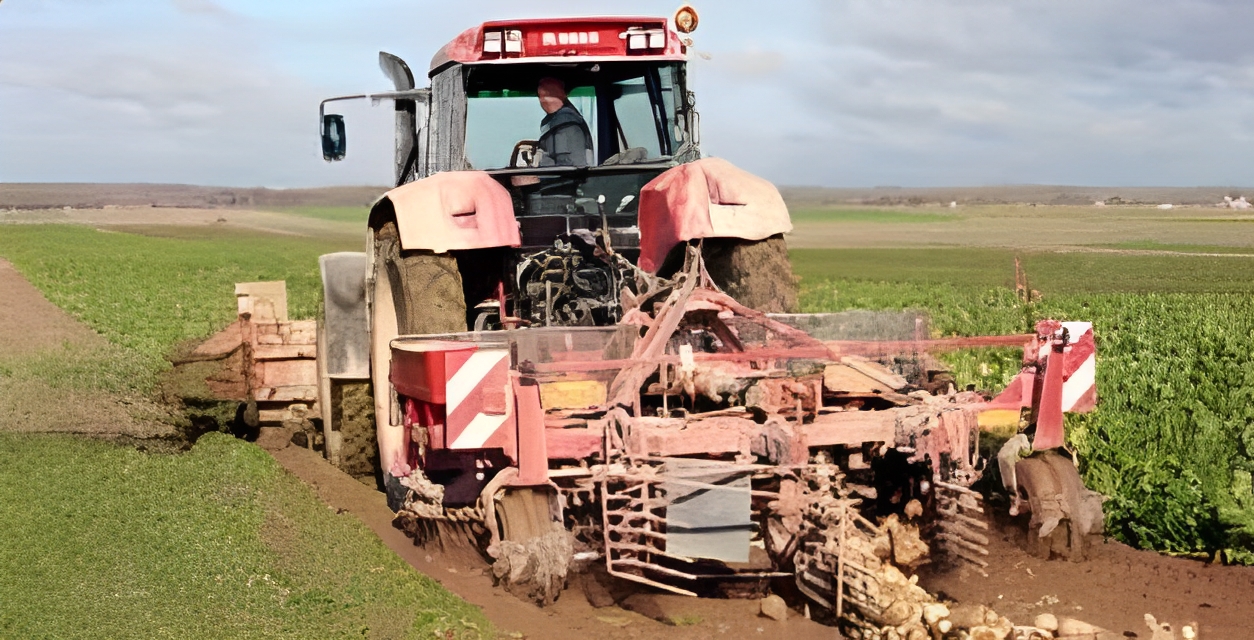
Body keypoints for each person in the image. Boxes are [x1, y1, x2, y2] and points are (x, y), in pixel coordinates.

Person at [536, 77, 593, 167]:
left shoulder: (566, 123)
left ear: (562, 94)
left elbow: (571, 169)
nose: (543, 99)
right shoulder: (554, 122)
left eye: (548, 94)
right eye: (540, 95)